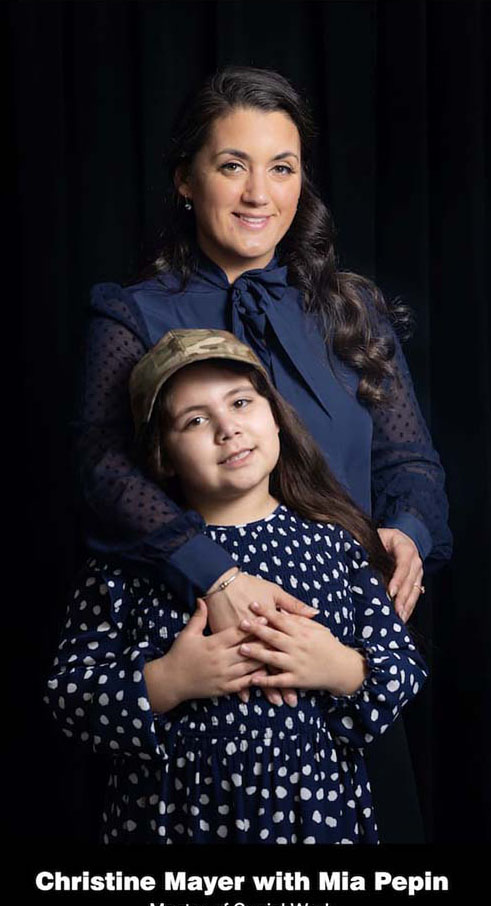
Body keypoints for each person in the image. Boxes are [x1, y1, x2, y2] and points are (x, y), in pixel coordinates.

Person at [75, 66, 452, 841]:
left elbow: (408, 460)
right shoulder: (133, 310)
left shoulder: (350, 308)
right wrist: (212, 575)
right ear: (186, 179)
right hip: (199, 656)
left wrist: (407, 530)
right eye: (231, 165)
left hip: (336, 645)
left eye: (281, 167)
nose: (258, 193)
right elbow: (102, 466)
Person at [46, 329, 428, 844]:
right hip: (170, 824)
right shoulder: (130, 562)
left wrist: (339, 668)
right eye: (196, 420)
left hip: (313, 823)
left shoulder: (335, 545)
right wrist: (168, 681)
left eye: (241, 402)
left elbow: (401, 670)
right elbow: (69, 698)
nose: (227, 429)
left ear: (275, 416)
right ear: (162, 455)